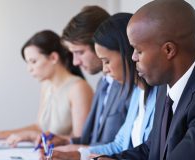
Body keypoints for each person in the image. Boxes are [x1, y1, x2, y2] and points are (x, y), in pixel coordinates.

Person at [43, 1, 195, 160]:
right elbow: (151, 151)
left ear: (168, 50)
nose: (132, 58)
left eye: (138, 50)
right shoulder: (169, 84)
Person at [47, 13, 158, 160]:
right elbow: (118, 145)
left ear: (127, 52)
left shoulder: (158, 94)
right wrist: (77, 154)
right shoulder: (137, 91)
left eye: (106, 61)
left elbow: (144, 156)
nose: (105, 70)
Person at [36, 6, 130, 151]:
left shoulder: (129, 85)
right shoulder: (103, 83)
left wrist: (79, 151)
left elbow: (123, 147)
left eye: (79, 52)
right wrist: (67, 141)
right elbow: (91, 140)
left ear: (100, 44)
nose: (75, 62)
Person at [0, 30, 93, 146]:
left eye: (33, 61)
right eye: (28, 63)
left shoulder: (78, 88)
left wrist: (32, 136)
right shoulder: (46, 85)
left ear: (53, 57)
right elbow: (39, 127)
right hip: (47, 157)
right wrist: (0, 134)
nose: (29, 69)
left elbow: (80, 140)